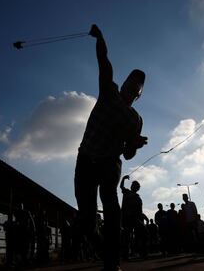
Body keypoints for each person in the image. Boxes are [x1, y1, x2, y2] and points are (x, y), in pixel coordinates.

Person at [74, 24, 147, 270]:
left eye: (134, 90)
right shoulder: (109, 91)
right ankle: (101, 247)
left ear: (138, 95)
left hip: (109, 162)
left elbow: (127, 153)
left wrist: (135, 144)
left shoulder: (135, 119)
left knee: (110, 203)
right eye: (128, 84)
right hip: (85, 158)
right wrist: (100, 37)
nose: (129, 90)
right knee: (85, 218)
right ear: (123, 82)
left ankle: (111, 262)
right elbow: (103, 60)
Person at [120, 175, 145, 258]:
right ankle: (127, 253)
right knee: (127, 236)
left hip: (134, 218)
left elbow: (140, 210)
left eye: (136, 187)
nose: (134, 187)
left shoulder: (137, 197)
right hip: (127, 218)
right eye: (134, 186)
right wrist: (123, 179)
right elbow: (121, 186)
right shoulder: (127, 192)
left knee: (136, 235)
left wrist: (141, 219)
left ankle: (136, 251)